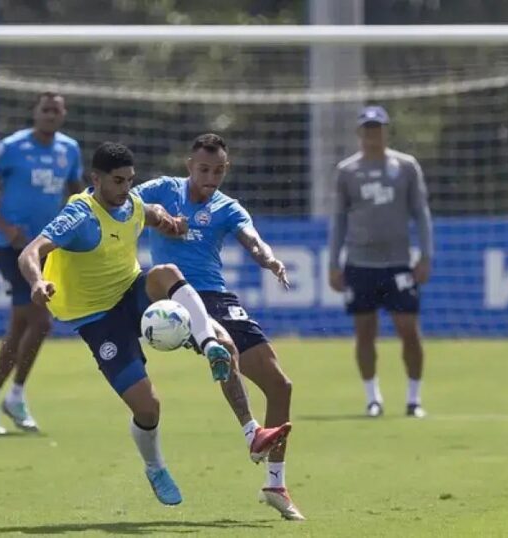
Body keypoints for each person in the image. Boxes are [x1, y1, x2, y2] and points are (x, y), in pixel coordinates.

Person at [18, 142, 290, 506]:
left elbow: (151, 213)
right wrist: (37, 282)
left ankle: (213, 351)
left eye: (130, 181)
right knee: (147, 408)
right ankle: (155, 466)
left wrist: (171, 222)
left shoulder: (130, 203)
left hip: (131, 291)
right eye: (117, 181)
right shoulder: (80, 215)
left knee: (168, 276)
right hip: (97, 317)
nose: (124, 189)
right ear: (96, 180)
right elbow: (30, 252)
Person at [133, 133, 304, 520]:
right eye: (203, 169)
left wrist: (270, 260)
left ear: (225, 170)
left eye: (217, 171)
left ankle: (275, 483)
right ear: (189, 166)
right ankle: (251, 431)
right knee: (222, 346)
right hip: (175, 297)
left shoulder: (228, 208)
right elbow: (126, 203)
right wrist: (158, 217)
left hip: (220, 299)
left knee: (281, 385)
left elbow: (253, 241)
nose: (209, 177)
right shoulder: (163, 189)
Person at [0, 91, 85, 434]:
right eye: (45, 109)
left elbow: (77, 192)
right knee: (41, 321)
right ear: (35, 112)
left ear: (62, 115)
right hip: (14, 248)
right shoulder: (13, 147)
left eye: (56, 111)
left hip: (45, 249)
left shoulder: (69, 149)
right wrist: (5, 226)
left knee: (22, 326)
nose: (50, 115)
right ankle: (12, 396)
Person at [328, 105, 434, 419]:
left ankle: (413, 398)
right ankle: (372, 398)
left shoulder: (406, 167)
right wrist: (334, 262)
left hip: (400, 262)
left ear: (386, 131)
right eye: (368, 128)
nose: (373, 134)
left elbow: (421, 213)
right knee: (364, 331)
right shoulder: (347, 171)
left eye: (378, 128)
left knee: (408, 329)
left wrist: (426, 255)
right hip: (360, 263)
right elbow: (338, 220)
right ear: (360, 133)